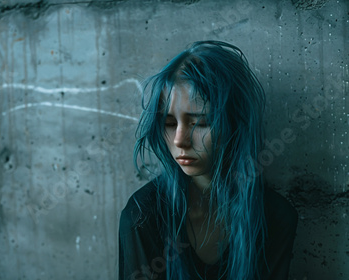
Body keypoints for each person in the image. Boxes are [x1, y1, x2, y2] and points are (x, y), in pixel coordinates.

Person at [118, 41, 298, 279]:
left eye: (200, 122)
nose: (180, 140)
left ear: (235, 123)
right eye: (169, 123)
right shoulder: (143, 216)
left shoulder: (274, 217)